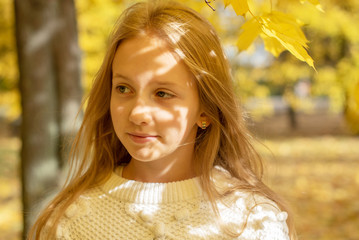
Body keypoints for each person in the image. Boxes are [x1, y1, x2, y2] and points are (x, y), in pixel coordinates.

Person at [29, 1, 296, 239]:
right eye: (123, 89)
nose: (137, 113)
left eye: (162, 94)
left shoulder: (252, 223)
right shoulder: (70, 222)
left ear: (205, 110)